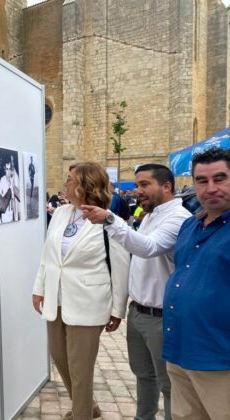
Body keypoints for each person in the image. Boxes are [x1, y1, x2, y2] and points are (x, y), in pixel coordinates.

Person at [82, 164, 190, 420]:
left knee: (168, 385)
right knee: (144, 376)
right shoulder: (151, 215)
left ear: (166, 186)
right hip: (139, 312)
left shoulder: (178, 218)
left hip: (162, 316)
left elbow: (148, 248)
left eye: (144, 184)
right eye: (137, 184)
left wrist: (110, 219)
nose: (138, 190)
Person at [32, 162, 130, 420]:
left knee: (80, 368)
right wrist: (39, 288)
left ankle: (82, 414)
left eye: (71, 179)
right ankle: (89, 407)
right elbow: (48, 256)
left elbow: (120, 268)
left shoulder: (109, 221)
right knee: (60, 358)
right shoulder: (62, 213)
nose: (66, 183)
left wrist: (118, 309)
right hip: (57, 298)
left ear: (86, 185)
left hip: (89, 303)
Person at [162, 147, 230, 420]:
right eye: (202, 180)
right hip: (179, 349)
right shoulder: (190, 226)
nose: (210, 187)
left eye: (220, 178)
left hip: (219, 357)